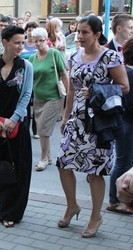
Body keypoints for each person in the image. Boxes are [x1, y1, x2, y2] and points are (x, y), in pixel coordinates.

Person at [56, 15, 129, 238]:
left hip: (99, 123)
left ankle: (96, 215)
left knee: (95, 171)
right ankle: (72, 205)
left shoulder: (110, 57)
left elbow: (124, 86)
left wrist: (97, 90)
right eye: (78, 32)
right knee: (63, 163)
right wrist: (66, 116)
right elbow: (70, 90)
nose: (79, 36)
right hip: (77, 120)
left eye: (85, 32)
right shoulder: (73, 55)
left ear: (97, 35)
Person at [0, 25, 33, 227]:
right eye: (17, 42)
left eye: (23, 42)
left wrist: (15, 119)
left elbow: (26, 95)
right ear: (5, 43)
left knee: (18, 169)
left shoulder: (26, 66)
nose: (21, 46)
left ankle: (11, 211)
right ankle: (3, 199)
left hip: (17, 126)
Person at [28, 28, 69, 171]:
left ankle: (43, 158)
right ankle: (49, 157)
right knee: (41, 128)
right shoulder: (32, 58)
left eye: (41, 40)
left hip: (53, 97)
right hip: (38, 98)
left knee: (43, 130)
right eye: (36, 41)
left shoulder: (54, 54)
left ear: (47, 40)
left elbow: (64, 74)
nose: (38, 43)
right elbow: (29, 78)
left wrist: (69, 94)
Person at [106, 35, 133, 214]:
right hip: (127, 122)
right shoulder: (129, 72)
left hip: (123, 120)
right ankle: (115, 200)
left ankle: (117, 199)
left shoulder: (125, 70)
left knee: (124, 160)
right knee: (123, 161)